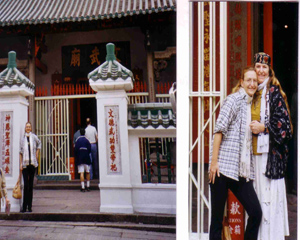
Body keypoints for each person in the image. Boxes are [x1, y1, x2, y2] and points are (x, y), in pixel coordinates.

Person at [209, 66, 262, 240]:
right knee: (216, 221)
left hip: (240, 171)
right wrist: (214, 162)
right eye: (249, 80)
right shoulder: (233, 100)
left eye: (255, 81)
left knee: (255, 213)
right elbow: (219, 131)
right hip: (222, 168)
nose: (252, 84)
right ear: (241, 82)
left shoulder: (251, 105)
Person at [249, 52, 292, 240]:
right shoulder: (250, 91)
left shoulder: (274, 93)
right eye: (257, 66)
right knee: (256, 198)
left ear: (269, 71)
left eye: (264, 67)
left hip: (269, 156)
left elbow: (286, 128)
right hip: (252, 154)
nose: (260, 70)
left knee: (268, 198)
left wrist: (264, 127)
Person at [19, 122, 41, 213]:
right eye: (27, 127)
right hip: (25, 164)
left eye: (29, 127)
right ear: (25, 128)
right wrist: (20, 164)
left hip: (32, 164)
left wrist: (37, 153)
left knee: (30, 185)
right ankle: (24, 206)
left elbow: (40, 143)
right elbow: (20, 152)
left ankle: (30, 206)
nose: (28, 128)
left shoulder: (34, 137)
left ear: (31, 128)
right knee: (26, 185)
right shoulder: (23, 138)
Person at [75, 128, 92, 192]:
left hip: (80, 158)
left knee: (81, 172)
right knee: (87, 172)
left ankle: (83, 187)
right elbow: (90, 149)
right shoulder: (87, 140)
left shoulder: (78, 140)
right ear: (84, 133)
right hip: (86, 157)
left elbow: (76, 149)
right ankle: (88, 186)